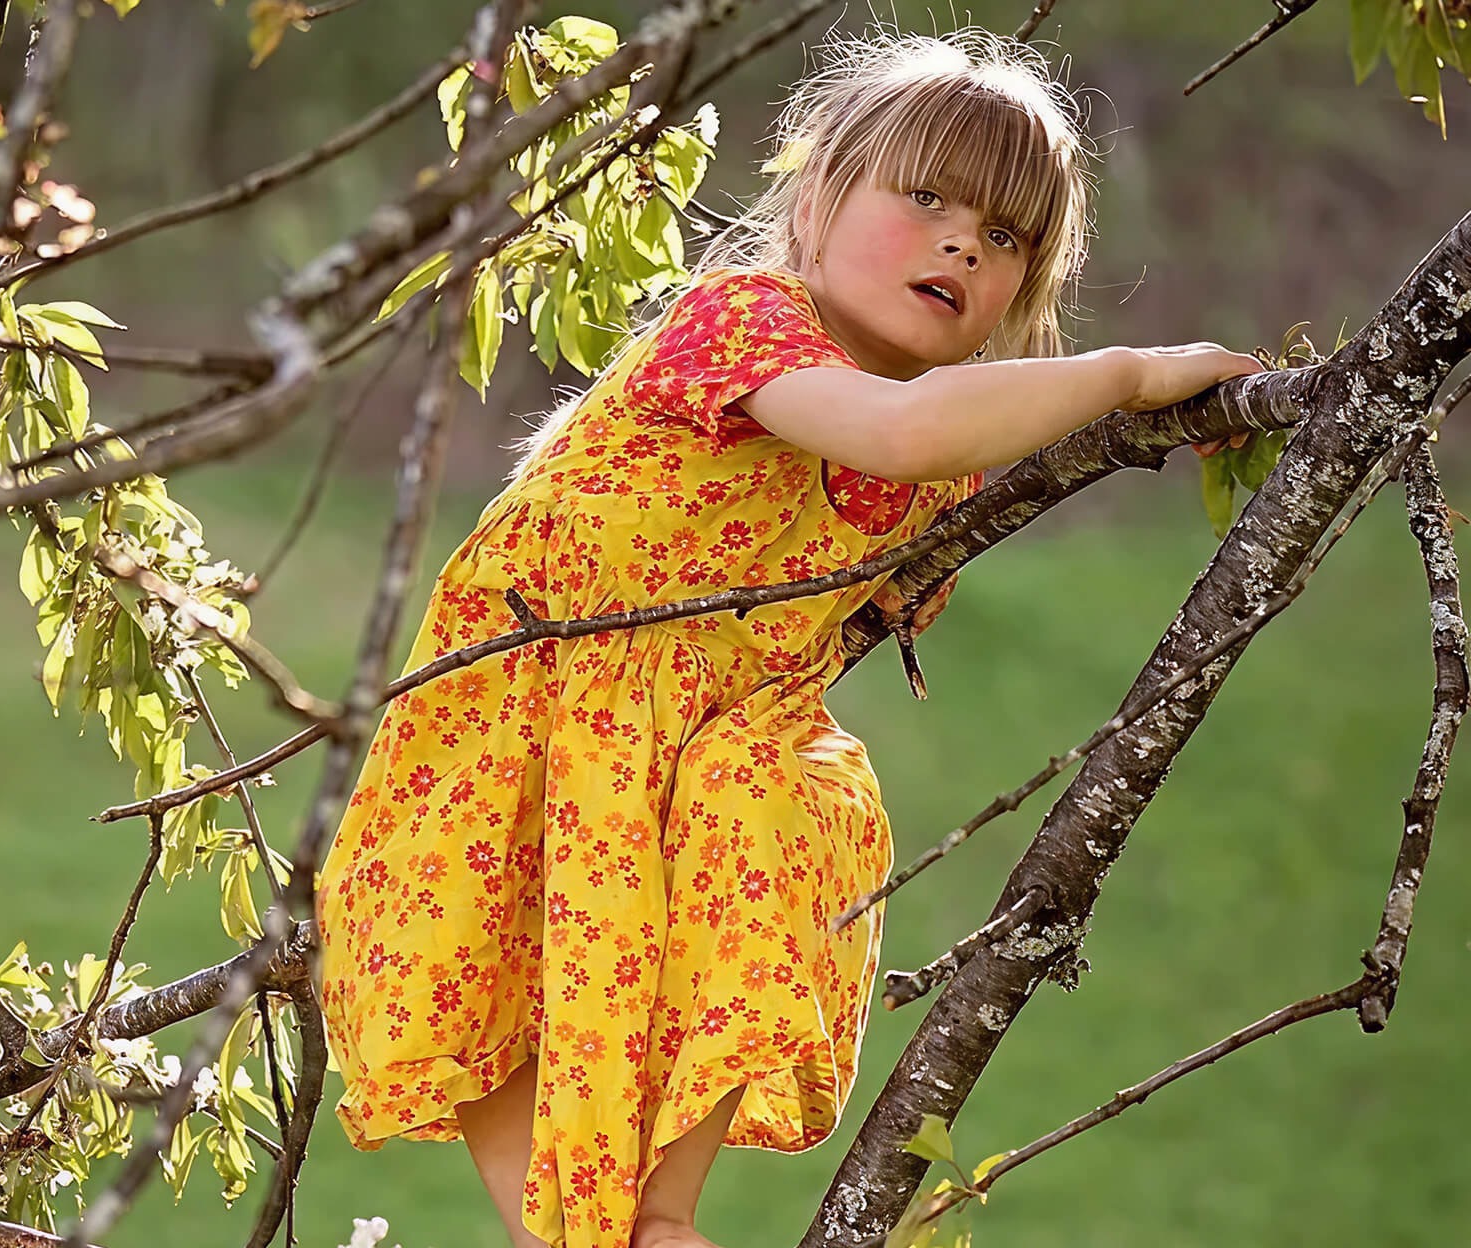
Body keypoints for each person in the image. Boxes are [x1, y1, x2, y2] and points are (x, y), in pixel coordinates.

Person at [314, 27, 1261, 1248]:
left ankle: (654, 1213)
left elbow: (912, 484)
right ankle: (581, 1232)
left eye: (1005, 236)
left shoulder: (933, 469)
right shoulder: (739, 320)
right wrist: (1131, 374)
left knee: (774, 804)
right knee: (498, 961)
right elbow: (896, 431)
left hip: (712, 738)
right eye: (923, 199)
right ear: (814, 203)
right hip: (530, 702)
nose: (963, 242)